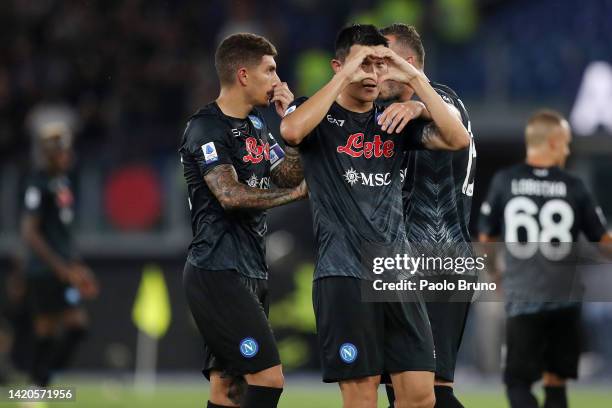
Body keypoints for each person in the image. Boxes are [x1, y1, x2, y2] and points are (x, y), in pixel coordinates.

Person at [280, 24, 470, 408]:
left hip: (398, 275)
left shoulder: (392, 121)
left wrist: (415, 79)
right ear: (340, 67)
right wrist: (345, 76)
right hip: (344, 275)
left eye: (380, 66)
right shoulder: (316, 114)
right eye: (364, 65)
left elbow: (457, 138)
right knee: (363, 399)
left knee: (421, 397)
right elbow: (291, 129)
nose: (373, 75)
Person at [179, 33, 306, 408]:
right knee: (268, 378)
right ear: (244, 74)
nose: (278, 81)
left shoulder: (257, 125)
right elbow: (229, 195)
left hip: (250, 267)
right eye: (270, 71)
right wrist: (297, 196)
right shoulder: (205, 127)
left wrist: (292, 126)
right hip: (216, 269)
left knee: (229, 388)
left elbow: (289, 174)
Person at [478, 110, 612, 408]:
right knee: (556, 383)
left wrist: (496, 275)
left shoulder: (505, 181)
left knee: (517, 382)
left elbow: (486, 239)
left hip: (523, 296)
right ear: (552, 141)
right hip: (566, 300)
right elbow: (603, 243)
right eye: (564, 142)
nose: (567, 149)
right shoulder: (574, 186)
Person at [377, 23, 476, 408]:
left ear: (409, 63)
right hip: (405, 264)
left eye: (382, 62)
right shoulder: (392, 116)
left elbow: (447, 113)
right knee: (402, 393)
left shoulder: (444, 103)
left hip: (439, 262)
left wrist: (418, 102)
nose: (374, 71)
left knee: (430, 394)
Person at [21, 122, 98, 387]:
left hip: (65, 269)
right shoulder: (37, 184)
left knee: (77, 326)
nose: (68, 155)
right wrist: (59, 267)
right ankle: (35, 387)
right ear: (51, 154)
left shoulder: (62, 183)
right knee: (47, 329)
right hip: (45, 271)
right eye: (63, 151)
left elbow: (62, 233)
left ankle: (44, 378)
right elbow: (30, 232)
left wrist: (77, 266)